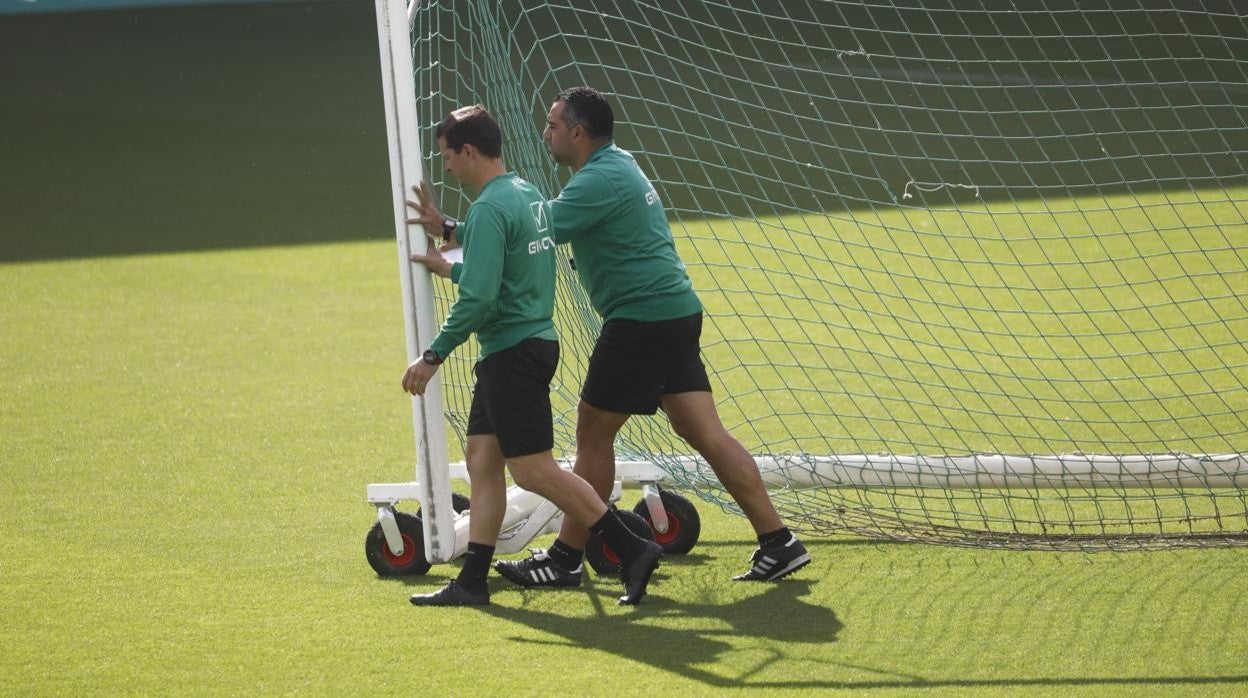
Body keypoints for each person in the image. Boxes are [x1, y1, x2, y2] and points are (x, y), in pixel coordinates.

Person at [490, 86, 812, 587]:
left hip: (641, 319)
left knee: (593, 430)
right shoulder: (618, 164)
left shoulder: (597, 180)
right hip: (675, 311)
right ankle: (779, 541)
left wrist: (457, 229)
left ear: (577, 132)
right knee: (702, 431)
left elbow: (536, 230)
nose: (545, 133)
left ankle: (566, 558)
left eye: (552, 124)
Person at [400, 104, 662, 607]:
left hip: (512, 353)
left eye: (449, 156)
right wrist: (450, 262)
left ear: (470, 151)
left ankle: (633, 547)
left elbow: (479, 300)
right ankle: (473, 582)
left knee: (533, 471)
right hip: (523, 345)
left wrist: (432, 357)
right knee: (481, 460)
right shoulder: (526, 195)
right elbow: (504, 274)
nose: (447, 166)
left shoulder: (492, 207)